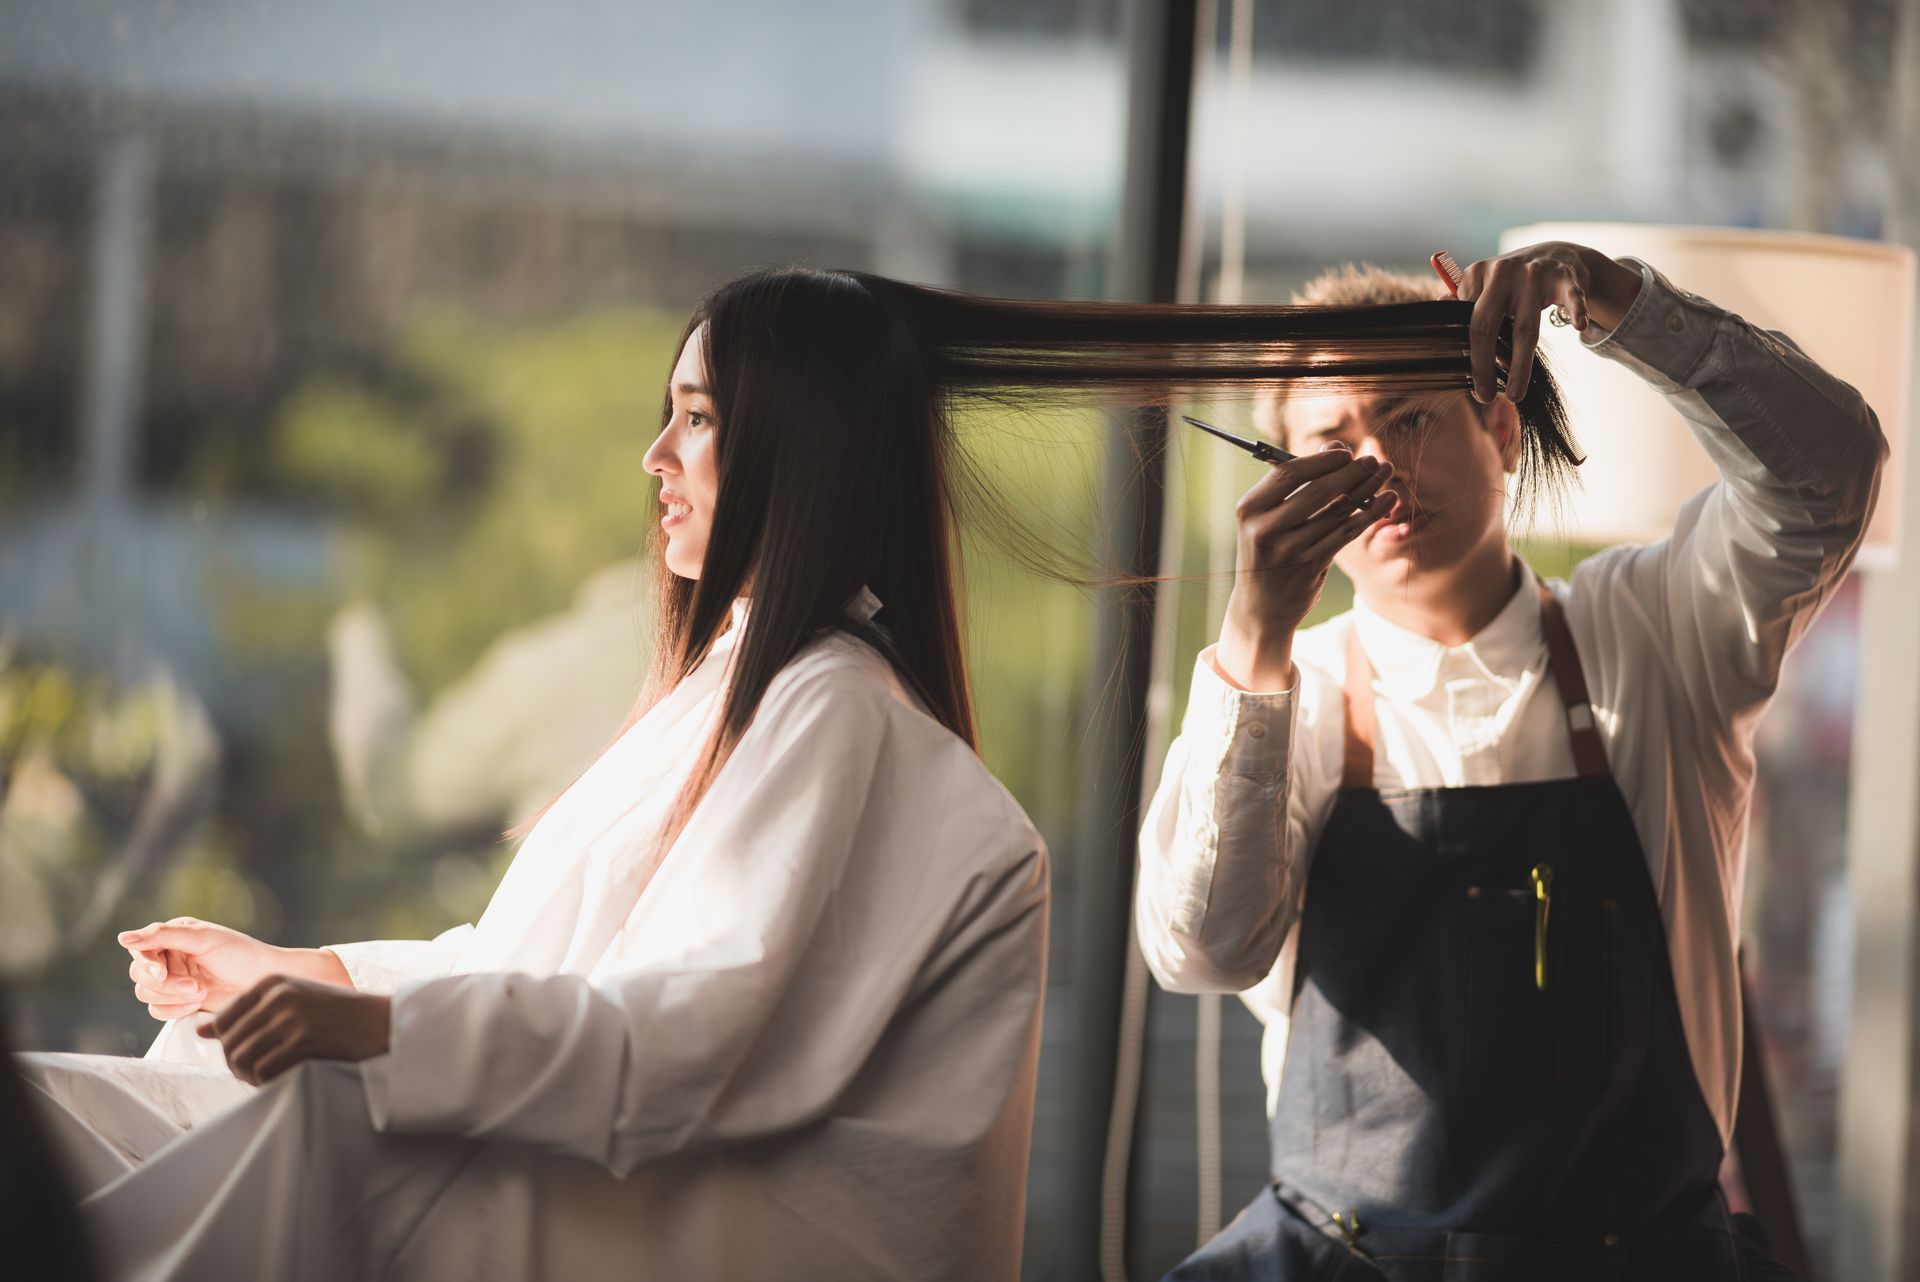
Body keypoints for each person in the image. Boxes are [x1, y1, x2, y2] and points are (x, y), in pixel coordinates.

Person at [21, 264, 1568, 1282]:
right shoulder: (746, 685)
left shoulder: (830, 707)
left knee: (208, 1133)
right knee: (140, 1101)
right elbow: (538, 965)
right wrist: (315, 965)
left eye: (698, 421)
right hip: (560, 1187)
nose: (655, 460)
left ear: (796, 456)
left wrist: (358, 1022)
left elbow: (670, 1038)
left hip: (631, 1227)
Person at [1137, 242, 1885, 1280]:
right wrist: (1253, 646)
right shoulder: (1278, 696)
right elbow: (1204, 953)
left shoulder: (1654, 637)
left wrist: (1616, 298)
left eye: (1409, 417)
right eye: (1331, 442)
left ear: (1497, 425)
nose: (1379, 469)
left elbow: (1830, 470)